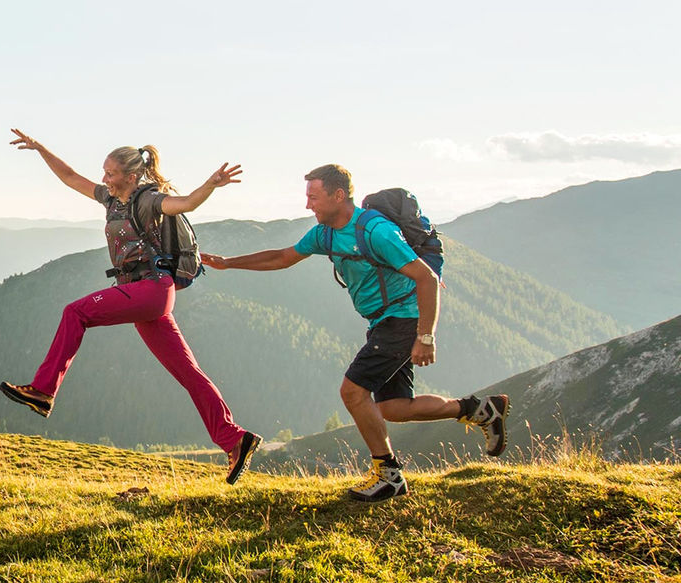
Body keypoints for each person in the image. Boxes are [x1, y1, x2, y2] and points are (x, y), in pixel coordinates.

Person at [199, 164, 509, 502]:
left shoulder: (376, 232)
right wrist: (228, 262)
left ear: (338, 195)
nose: (308, 206)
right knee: (393, 407)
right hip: (382, 321)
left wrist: (425, 336)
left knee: (353, 393)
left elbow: (427, 279)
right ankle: (479, 409)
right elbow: (283, 257)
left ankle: (389, 475)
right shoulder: (325, 233)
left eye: (313, 197)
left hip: (404, 319)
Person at [0, 128, 263, 485]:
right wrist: (39, 148)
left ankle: (43, 391)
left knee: (75, 312)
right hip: (143, 294)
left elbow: (183, 204)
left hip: (152, 289)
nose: (104, 179)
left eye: (110, 173)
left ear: (131, 175)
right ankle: (235, 439)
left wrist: (210, 185)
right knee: (188, 372)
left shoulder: (148, 199)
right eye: (104, 173)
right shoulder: (112, 200)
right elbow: (69, 177)